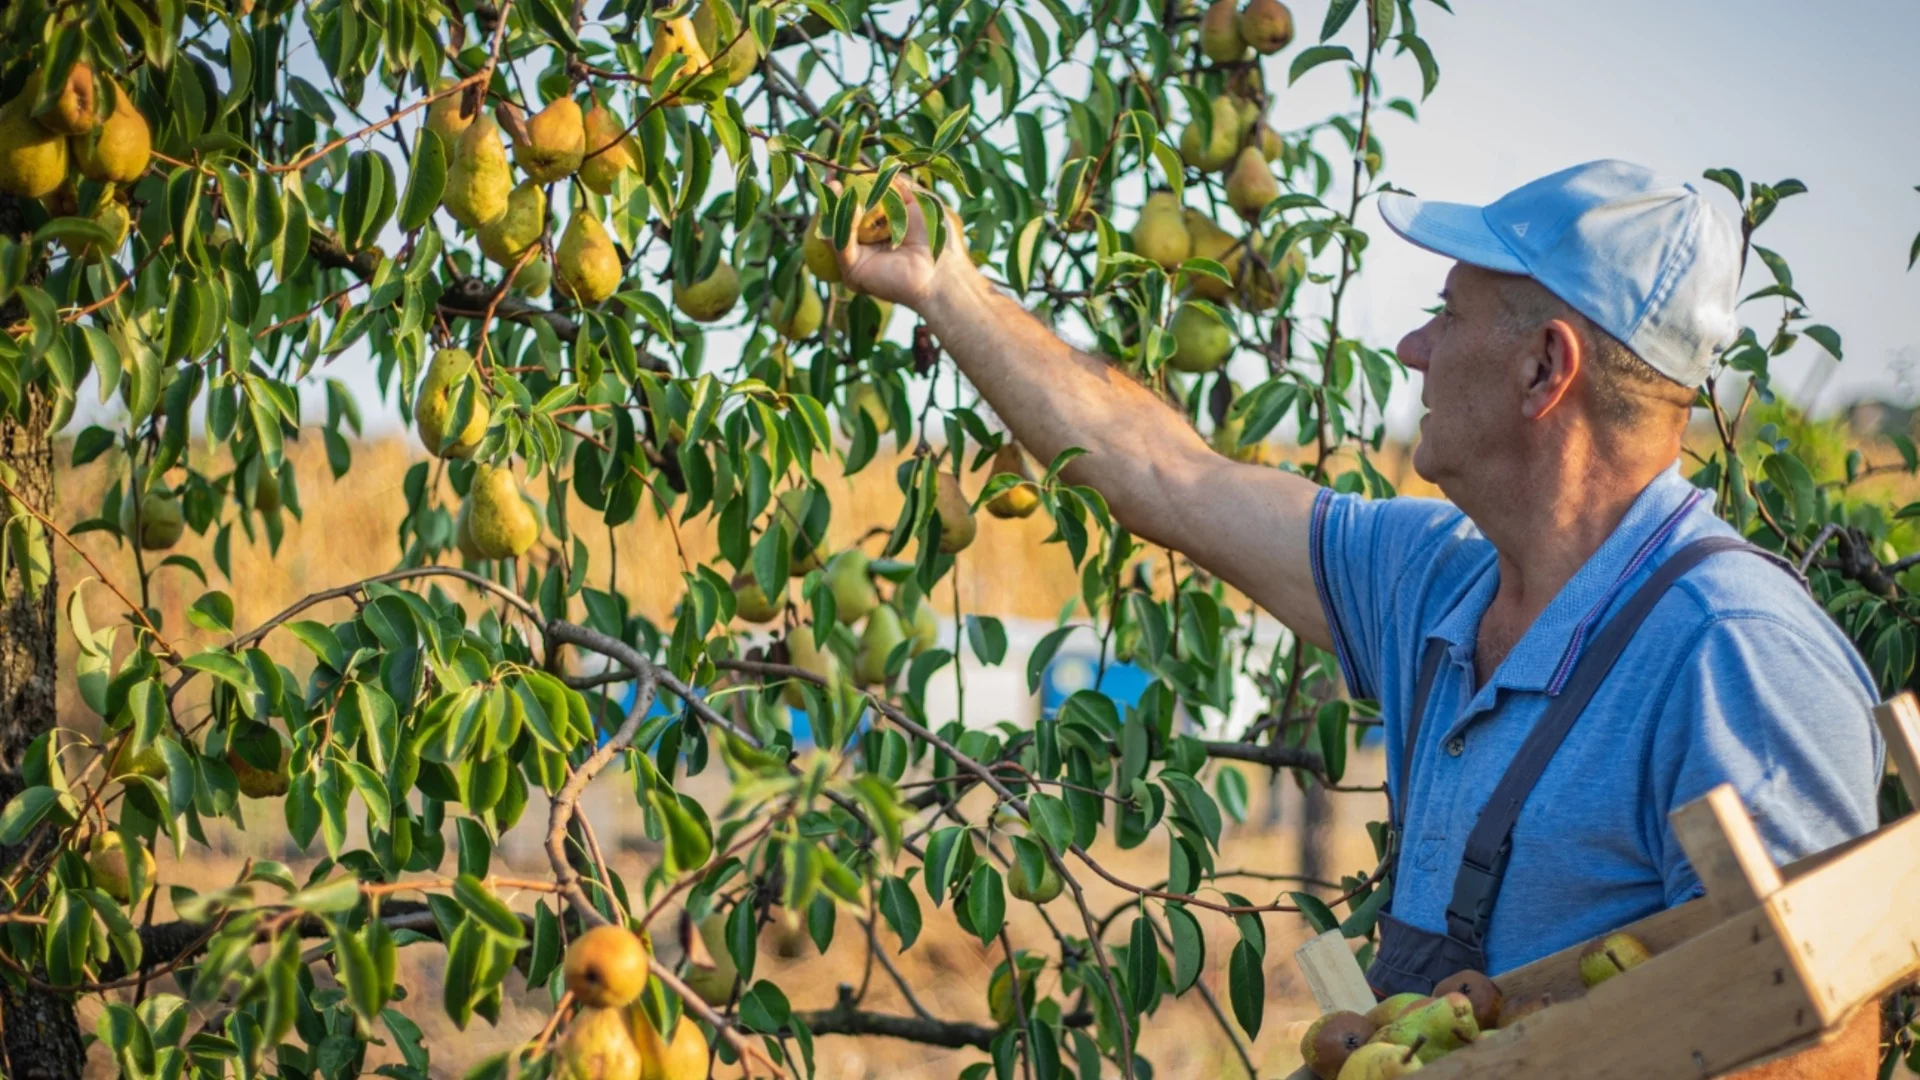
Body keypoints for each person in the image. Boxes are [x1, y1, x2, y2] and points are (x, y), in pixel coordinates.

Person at [834, 160, 1885, 1075]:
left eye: (1450, 312)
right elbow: (1167, 475)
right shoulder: (1439, 582)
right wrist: (946, 290)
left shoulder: (1732, 653)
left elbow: (1818, 1042)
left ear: (1543, 368)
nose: (1415, 348)